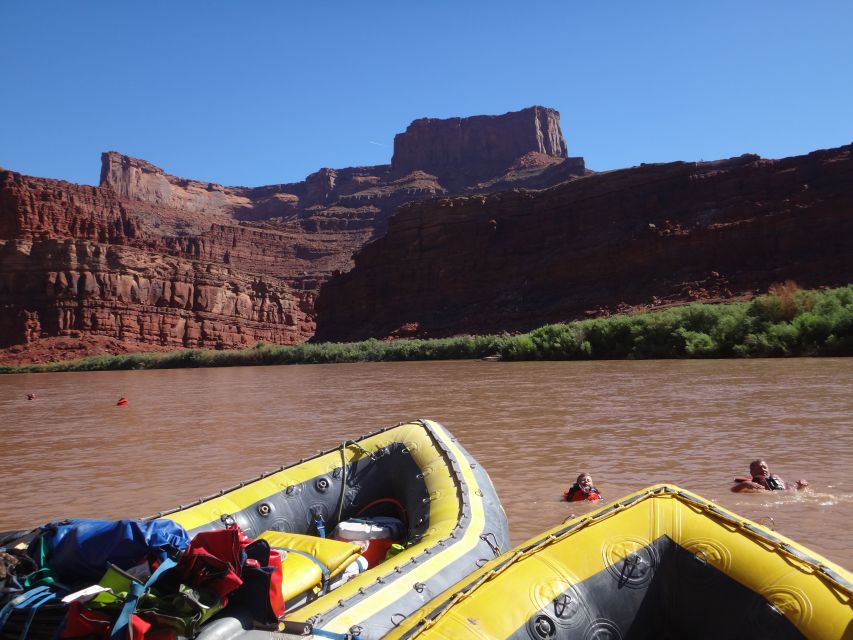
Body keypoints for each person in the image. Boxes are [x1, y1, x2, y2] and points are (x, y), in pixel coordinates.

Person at [731, 459, 809, 492]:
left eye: (765, 467)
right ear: (752, 472)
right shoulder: (747, 483)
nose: (763, 469)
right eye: (759, 468)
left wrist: (800, 486)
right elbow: (732, 491)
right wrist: (745, 484)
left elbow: (792, 491)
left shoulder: (777, 479)